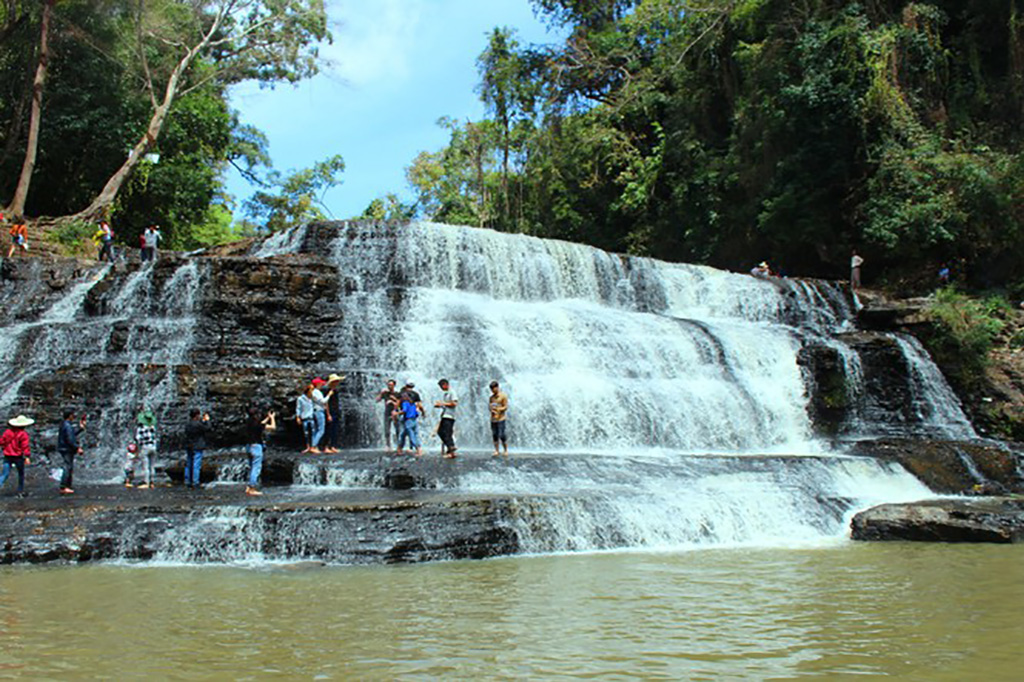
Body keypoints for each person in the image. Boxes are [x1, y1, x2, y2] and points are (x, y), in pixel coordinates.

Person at [245, 405, 276, 496]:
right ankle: (252, 488)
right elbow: (273, 427)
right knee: (256, 468)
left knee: (251, 467)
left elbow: (261, 424)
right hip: (256, 447)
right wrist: (272, 418)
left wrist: (267, 418)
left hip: (248, 446)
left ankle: (248, 486)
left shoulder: (249, 422)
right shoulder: (258, 425)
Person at [0, 415, 34, 497]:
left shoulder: (7, 432)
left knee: (4, 474)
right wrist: (27, 456)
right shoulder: (23, 434)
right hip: (18, 457)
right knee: (21, 474)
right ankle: (20, 491)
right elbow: (25, 446)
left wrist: (5, 448)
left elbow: (2, 442)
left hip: (7, 455)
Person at [56, 409, 87, 494]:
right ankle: (63, 487)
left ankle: (67, 485)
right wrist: (77, 448)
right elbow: (70, 439)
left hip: (64, 448)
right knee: (67, 467)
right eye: (73, 415)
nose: (74, 416)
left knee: (69, 466)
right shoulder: (67, 426)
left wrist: (80, 428)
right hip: (66, 449)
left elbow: (71, 434)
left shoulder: (65, 424)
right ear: (69, 416)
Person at [184, 408, 210, 489]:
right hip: (198, 445)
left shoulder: (188, 424)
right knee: (196, 464)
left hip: (189, 445)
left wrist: (202, 421)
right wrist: (207, 420)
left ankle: (188, 481)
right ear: (197, 415)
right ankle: (195, 482)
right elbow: (207, 428)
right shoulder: (198, 424)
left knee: (189, 463)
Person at [396, 381, 423, 457]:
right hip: (413, 417)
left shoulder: (401, 394)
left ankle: (400, 449)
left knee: (403, 433)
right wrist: (423, 412)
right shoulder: (415, 394)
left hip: (405, 416)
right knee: (414, 433)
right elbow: (420, 405)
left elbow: (397, 404)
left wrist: (396, 412)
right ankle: (418, 449)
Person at [134, 409, 158, 489]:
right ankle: (152, 482)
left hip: (145, 447)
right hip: (153, 447)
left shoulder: (141, 428)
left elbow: (138, 438)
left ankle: (146, 482)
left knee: (146, 466)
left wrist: (138, 447)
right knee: (152, 466)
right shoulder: (153, 427)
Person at [375, 379, 401, 452]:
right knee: (387, 430)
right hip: (387, 413)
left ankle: (399, 445)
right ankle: (388, 445)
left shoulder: (397, 394)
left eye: (391, 385)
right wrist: (381, 393)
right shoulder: (385, 393)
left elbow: (399, 404)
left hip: (395, 413)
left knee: (398, 430)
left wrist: (392, 401)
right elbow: (377, 400)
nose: (389, 386)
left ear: (394, 385)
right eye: (388, 385)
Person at [434, 378, 458, 458]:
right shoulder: (446, 393)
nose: (441, 388)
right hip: (445, 415)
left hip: (450, 416)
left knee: (447, 433)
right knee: (441, 432)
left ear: (445, 384)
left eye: (441, 386)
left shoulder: (452, 392)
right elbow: (447, 405)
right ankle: (450, 448)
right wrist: (440, 406)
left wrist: (442, 404)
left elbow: (454, 403)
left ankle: (451, 449)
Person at [322, 373, 345, 453]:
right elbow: (326, 403)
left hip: (336, 412)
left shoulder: (335, 391)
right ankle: (326, 447)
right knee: (328, 429)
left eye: (337, 381)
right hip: (330, 412)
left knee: (334, 430)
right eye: (336, 381)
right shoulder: (327, 391)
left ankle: (332, 446)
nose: (337, 382)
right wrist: (328, 414)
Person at [295, 384, 317, 453]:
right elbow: (298, 408)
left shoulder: (312, 398)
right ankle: (307, 447)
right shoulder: (300, 399)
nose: (312, 391)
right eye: (311, 389)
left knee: (313, 432)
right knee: (306, 433)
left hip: (312, 417)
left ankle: (313, 446)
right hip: (305, 418)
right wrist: (298, 417)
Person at [489, 381, 509, 457]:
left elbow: (506, 407)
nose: (493, 391)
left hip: (501, 419)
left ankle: (505, 450)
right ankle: (496, 450)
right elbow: (490, 406)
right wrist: (491, 409)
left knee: (502, 435)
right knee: (494, 435)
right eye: (491, 389)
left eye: (494, 389)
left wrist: (498, 409)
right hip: (493, 419)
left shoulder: (503, 396)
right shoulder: (491, 398)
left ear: (497, 387)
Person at [310, 377, 329, 451]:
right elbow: (323, 401)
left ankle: (313, 446)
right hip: (319, 411)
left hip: (315, 411)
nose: (322, 384)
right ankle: (313, 446)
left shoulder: (314, 392)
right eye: (321, 383)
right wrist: (329, 395)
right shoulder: (317, 392)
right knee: (321, 430)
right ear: (317, 384)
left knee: (316, 430)